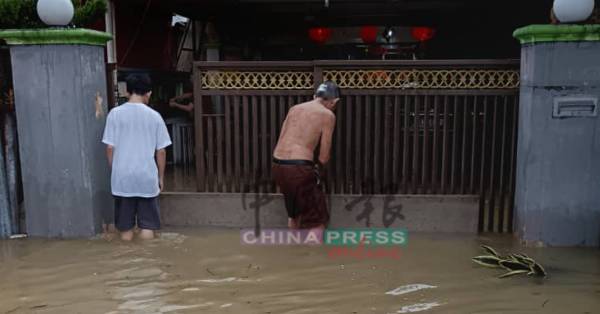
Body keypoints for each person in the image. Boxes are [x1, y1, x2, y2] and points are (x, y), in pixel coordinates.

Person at [102, 74, 172, 241]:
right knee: (147, 227)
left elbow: (110, 148)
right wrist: (160, 177)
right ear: (148, 93)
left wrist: (117, 170)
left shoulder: (115, 114)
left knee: (125, 229)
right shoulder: (155, 117)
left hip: (123, 178)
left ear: (127, 91)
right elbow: (161, 151)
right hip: (146, 177)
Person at [272, 81, 340, 231]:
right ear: (334, 101)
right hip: (298, 168)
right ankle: (312, 254)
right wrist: (318, 172)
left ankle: (292, 251)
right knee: (317, 220)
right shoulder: (327, 115)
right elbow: (323, 156)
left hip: (278, 165)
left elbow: (282, 136)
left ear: (315, 96)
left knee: (294, 214)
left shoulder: (294, 109)